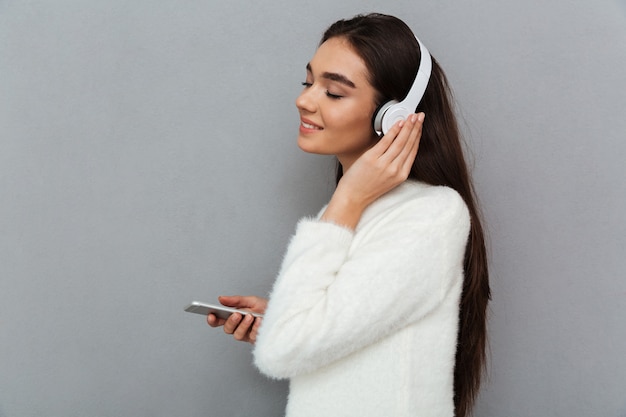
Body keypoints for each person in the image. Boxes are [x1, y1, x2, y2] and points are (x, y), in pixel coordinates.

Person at [207, 13, 490, 417]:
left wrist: (348, 196)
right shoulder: (351, 211)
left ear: (392, 116)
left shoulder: (430, 216)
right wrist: (284, 316)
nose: (304, 100)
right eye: (308, 82)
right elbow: (339, 334)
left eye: (334, 93)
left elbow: (282, 352)